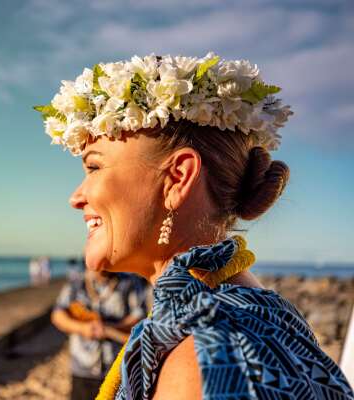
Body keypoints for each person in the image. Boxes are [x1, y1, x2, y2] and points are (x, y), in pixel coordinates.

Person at [34, 53, 354, 399]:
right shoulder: (244, 315)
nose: (76, 197)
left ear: (177, 178)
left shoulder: (205, 361)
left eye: (94, 168)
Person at [51, 264, 148, 400]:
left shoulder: (129, 283)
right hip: (83, 366)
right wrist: (82, 328)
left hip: (117, 367)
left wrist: (108, 327)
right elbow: (58, 315)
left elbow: (139, 317)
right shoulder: (75, 284)